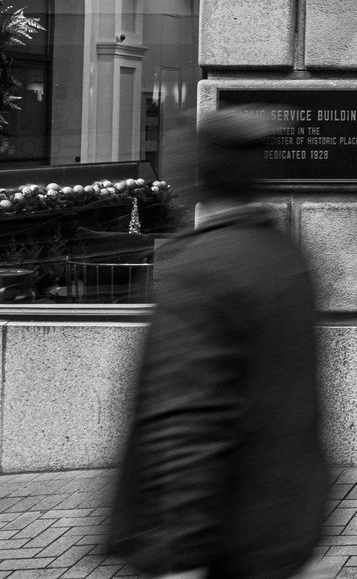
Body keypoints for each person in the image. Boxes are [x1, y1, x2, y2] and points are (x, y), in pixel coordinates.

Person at [108, 109, 328, 578]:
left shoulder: (200, 269)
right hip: (284, 524)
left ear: (195, 181)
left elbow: (187, 417)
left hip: (225, 538)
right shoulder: (283, 254)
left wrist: (180, 554)